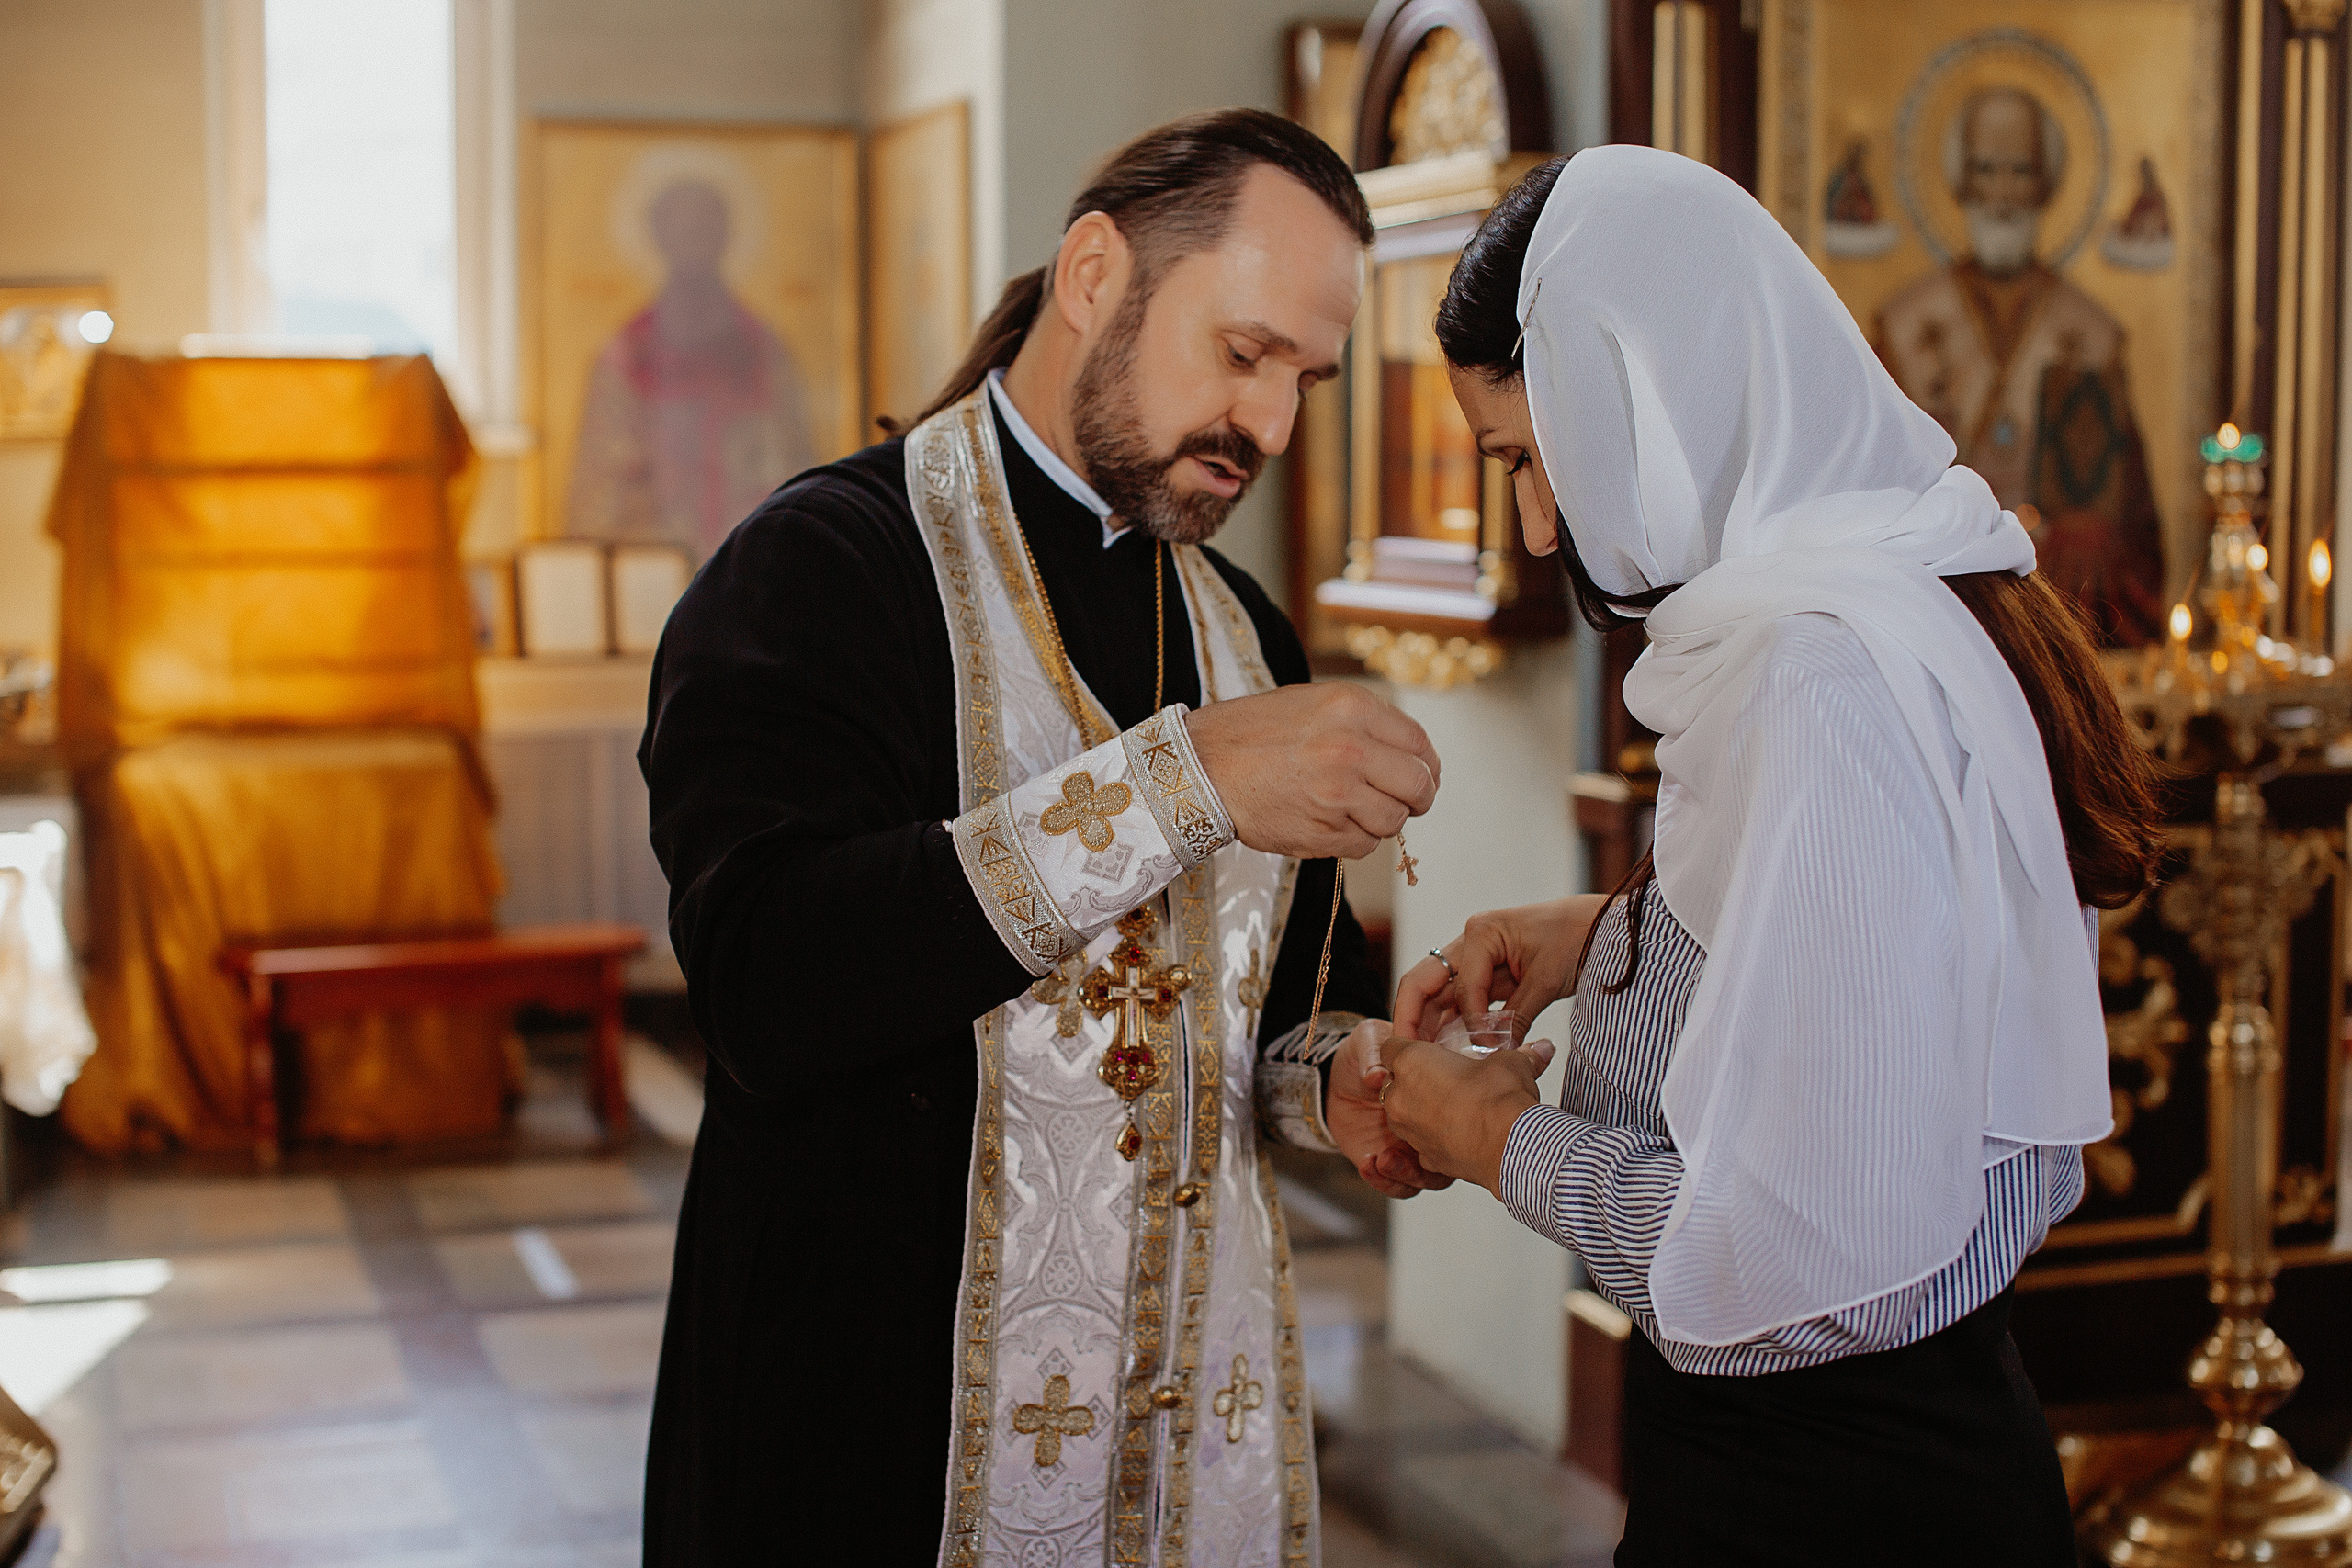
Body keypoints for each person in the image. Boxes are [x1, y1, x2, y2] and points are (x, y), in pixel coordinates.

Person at [638, 110, 1443, 1565]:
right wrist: (1176, 780)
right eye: (1243, 353)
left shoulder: (1239, 629)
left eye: (1306, 381)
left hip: (1178, 1445)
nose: (1270, 425)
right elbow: (768, 983)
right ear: (1093, 275)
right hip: (869, 1432)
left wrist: (1354, 1085)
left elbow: (1285, 1012)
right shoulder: (821, 567)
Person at [1351, 147, 2164, 1563]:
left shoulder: (1817, 681)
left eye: (1531, 461)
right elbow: (1853, 974)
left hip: (1838, 1492)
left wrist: (1482, 1129)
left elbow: (1781, 1259)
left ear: (1640, 403)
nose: (1540, 525)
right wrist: (1604, 934)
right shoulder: (1880, 581)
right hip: (1880, 1450)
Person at [1873, 85, 2166, 644]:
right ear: (1960, 180)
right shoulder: (1904, 326)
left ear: (2047, 182)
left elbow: (2131, 530)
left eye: (2021, 169)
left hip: (2055, 622)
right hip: (1936, 621)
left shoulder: (2093, 334)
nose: (2003, 192)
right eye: (1986, 169)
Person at [568, 178, 815, 562]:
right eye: (681, 231)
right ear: (659, 239)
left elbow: (797, 465)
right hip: (653, 562)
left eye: (704, 230)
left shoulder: (763, 350)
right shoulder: (628, 355)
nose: (693, 245)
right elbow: (598, 483)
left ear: (725, 238)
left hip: (750, 559)